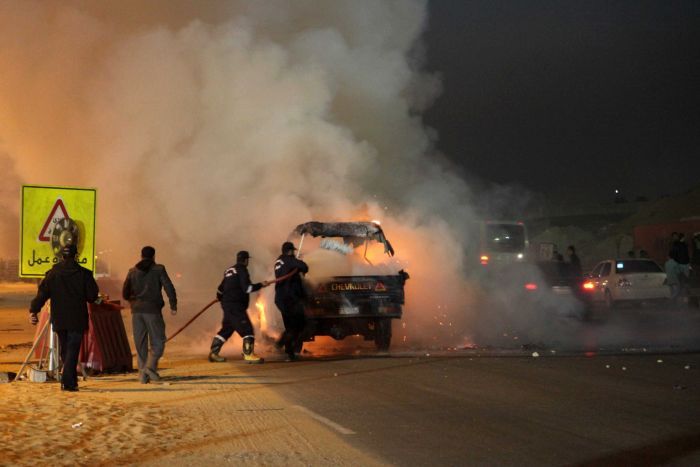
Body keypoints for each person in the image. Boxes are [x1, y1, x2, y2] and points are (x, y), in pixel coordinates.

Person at [29, 244, 100, 392]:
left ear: (61, 256)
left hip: (60, 318)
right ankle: (67, 382)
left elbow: (42, 295)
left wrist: (33, 311)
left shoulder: (52, 274)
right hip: (77, 318)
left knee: (65, 350)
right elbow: (92, 296)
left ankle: (71, 382)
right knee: (72, 350)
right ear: (76, 255)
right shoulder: (84, 274)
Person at [122, 246, 177, 384]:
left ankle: (142, 375)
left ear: (141, 256)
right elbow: (168, 287)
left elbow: (125, 293)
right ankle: (150, 368)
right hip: (152, 311)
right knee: (158, 342)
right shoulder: (159, 269)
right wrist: (173, 305)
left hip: (136, 312)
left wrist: (133, 302)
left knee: (140, 344)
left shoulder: (132, 271)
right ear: (153, 256)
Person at [209, 251, 270, 364]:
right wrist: (261, 285)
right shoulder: (242, 270)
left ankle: (213, 353)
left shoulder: (229, 271)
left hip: (227, 306)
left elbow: (220, 289)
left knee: (226, 330)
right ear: (246, 260)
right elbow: (247, 289)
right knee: (247, 330)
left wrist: (220, 298)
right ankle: (248, 354)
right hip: (236, 306)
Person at [273, 242, 309, 361]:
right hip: (289, 299)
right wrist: (297, 262)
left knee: (290, 326)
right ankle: (280, 343)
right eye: (292, 251)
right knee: (300, 323)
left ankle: (290, 353)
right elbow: (304, 266)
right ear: (289, 251)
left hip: (281, 299)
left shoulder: (279, 261)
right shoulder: (289, 260)